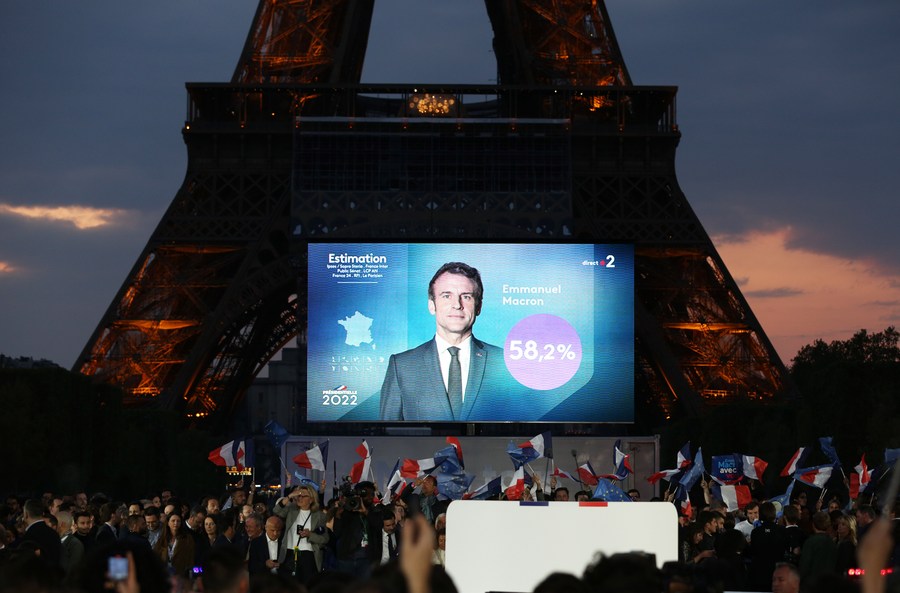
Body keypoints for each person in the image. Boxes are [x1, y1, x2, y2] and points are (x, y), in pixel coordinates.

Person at [379, 261, 509, 421]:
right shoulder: (402, 366)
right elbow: (386, 432)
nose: (457, 305)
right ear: (432, 305)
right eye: (447, 296)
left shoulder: (505, 363)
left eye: (466, 297)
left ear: (478, 306)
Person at [273, 484, 328, 584]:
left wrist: (310, 535)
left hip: (308, 555)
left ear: (311, 499)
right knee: (288, 585)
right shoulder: (291, 510)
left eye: (303, 496)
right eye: (299, 495)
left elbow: (324, 539)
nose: (300, 498)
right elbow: (276, 510)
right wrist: (290, 496)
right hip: (290, 552)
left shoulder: (319, 516)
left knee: (307, 585)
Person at [153, 512, 196, 578]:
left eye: (178, 521)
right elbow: (156, 556)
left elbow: (190, 558)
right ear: (168, 523)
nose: (176, 523)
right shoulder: (162, 538)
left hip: (180, 574)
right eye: (173, 521)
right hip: (164, 574)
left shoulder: (187, 538)